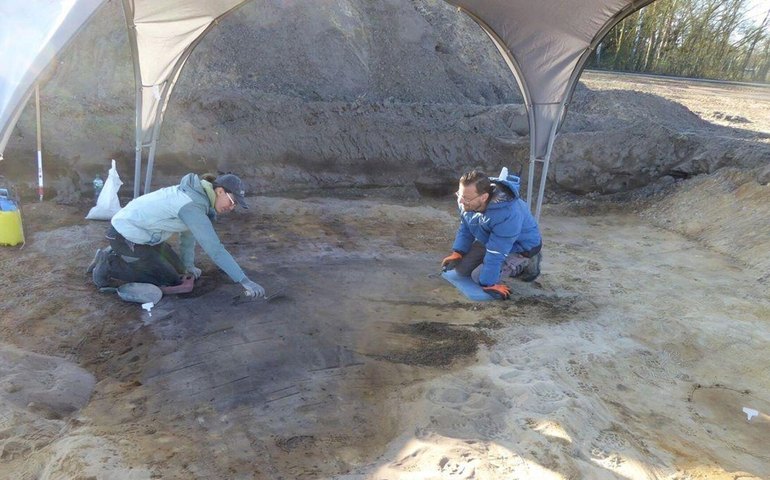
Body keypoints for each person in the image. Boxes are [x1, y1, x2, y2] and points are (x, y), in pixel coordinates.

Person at [87, 172, 266, 298]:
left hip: (146, 235)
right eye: (232, 201)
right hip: (124, 236)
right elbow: (215, 250)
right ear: (219, 191)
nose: (231, 207)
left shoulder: (199, 198)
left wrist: (188, 266)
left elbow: (188, 237)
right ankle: (109, 264)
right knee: (170, 280)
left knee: (181, 272)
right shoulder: (192, 205)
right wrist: (244, 280)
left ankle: (115, 253)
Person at [441, 169, 542, 300]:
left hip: (521, 246)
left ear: (483, 197)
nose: (460, 201)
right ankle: (490, 267)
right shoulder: (467, 201)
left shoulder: (507, 214)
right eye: (459, 194)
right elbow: (466, 227)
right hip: (490, 238)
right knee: (461, 270)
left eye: (465, 197)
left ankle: (526, 263)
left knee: (479, 277)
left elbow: (496, 252)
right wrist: (458, 252)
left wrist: (489, 283)